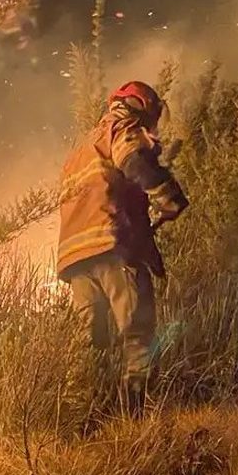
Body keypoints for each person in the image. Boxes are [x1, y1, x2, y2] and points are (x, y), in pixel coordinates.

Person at [56, 81, 189, 411]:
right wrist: (169, 196)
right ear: (143, 108)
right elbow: (135, 163)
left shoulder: (81, 149)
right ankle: (135, 417)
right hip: (112, 246)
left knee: (89, 343)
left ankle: (82, 419)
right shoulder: (123, 128)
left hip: (75, 256)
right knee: (137, 332)